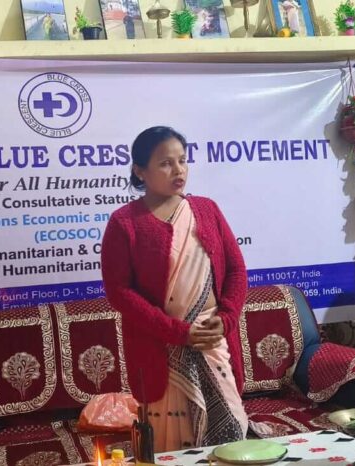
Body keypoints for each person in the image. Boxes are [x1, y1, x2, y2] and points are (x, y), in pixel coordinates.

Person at [101, 126, 248, 451]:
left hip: (213, 342)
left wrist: (226, 318)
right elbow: (119, 292)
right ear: (140, 171)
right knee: (174, 447)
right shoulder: (125, 222)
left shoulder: (207, 210)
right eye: (166, 163)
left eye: (182, 160)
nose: (179, 170)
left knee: (232, 435)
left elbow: (236, 270)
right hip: (160, 350)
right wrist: (178, 332)